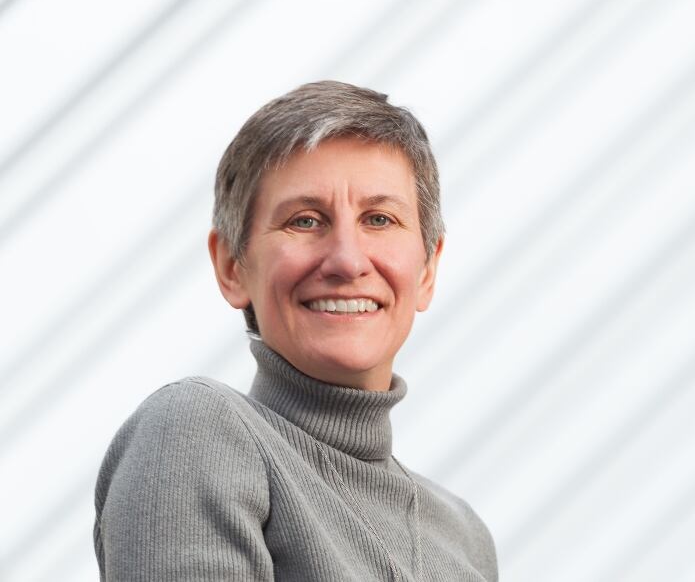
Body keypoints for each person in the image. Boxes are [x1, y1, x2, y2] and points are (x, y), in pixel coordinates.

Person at [93, 81, 498, 581]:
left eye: (379, 218)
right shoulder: (194, 431)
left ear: (427, 271)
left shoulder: (464, 538)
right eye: (305, 221)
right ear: (232, 266)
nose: (348, 260)